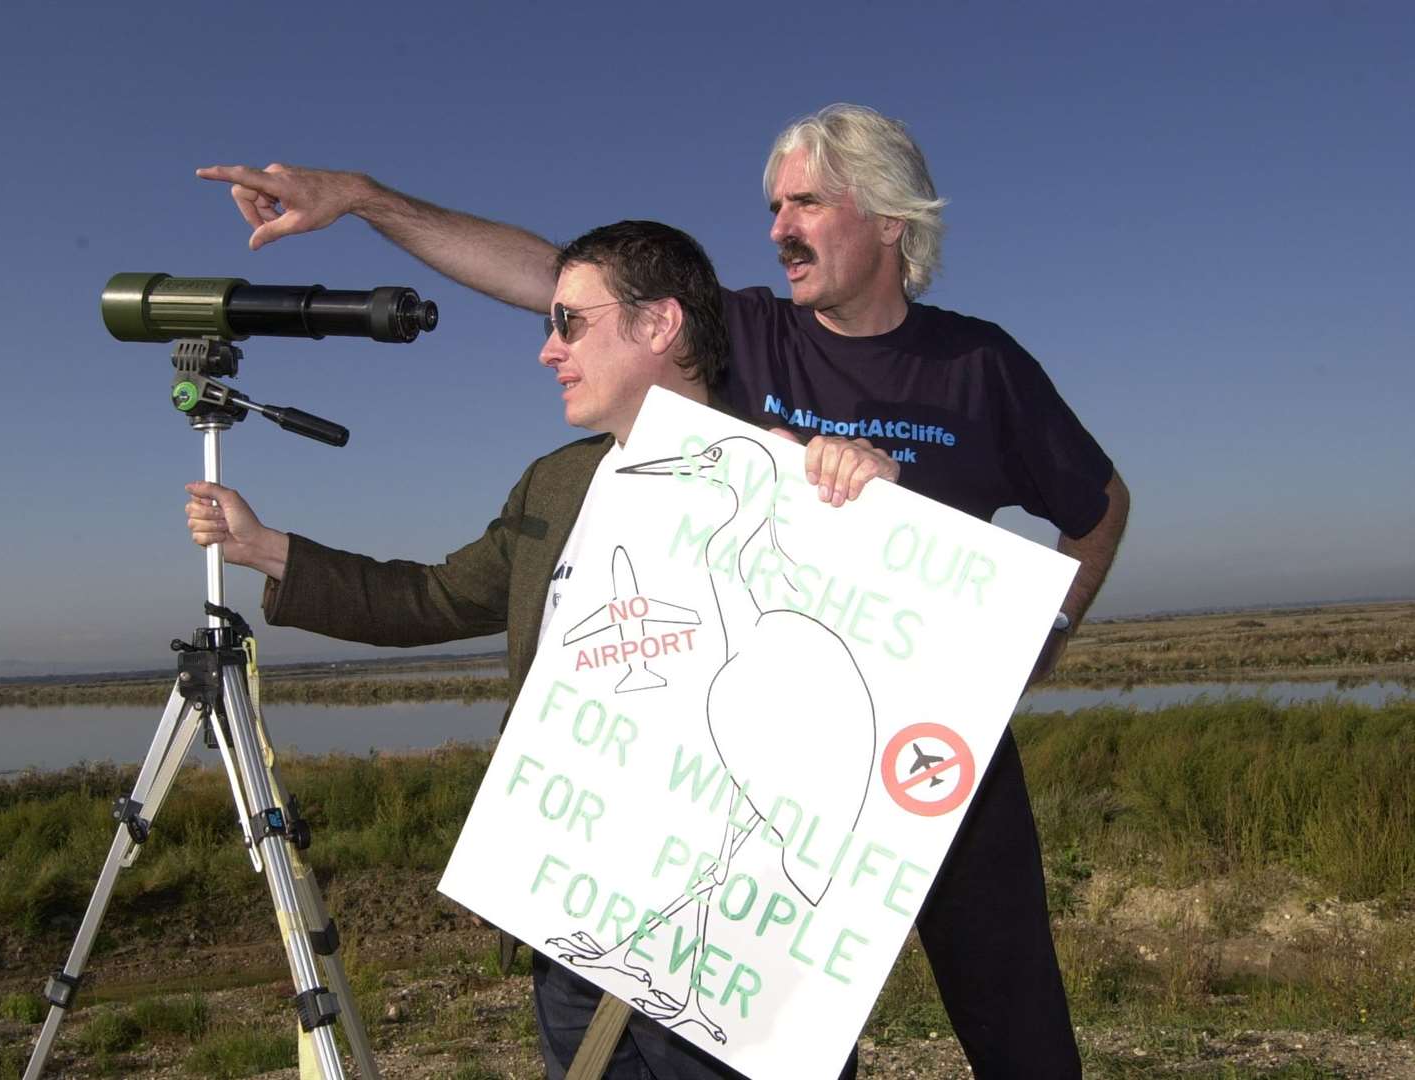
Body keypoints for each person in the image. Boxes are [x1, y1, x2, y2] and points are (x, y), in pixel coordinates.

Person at [197, 103, 1128, 1077]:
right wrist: (360, 199)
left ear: (888, 218)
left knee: (1017, 1027)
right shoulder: (753, 336)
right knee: (778, 1026)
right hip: (767, 761)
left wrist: (1050, 632)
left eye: (804, 201)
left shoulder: (981, 367)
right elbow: (552, 280)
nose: (776, 227)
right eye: (771, 204)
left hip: (934, 762)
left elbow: (1094, 507)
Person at [186, 220, 871, 1080]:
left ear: (660, 326)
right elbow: (433, 596)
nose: (548, 351)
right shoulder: (555, 483)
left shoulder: (798, 482)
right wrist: (268, 549)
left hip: (742, 961)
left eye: (569, 323)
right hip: (576, 933)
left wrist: (869, 502)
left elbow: (896, 645)